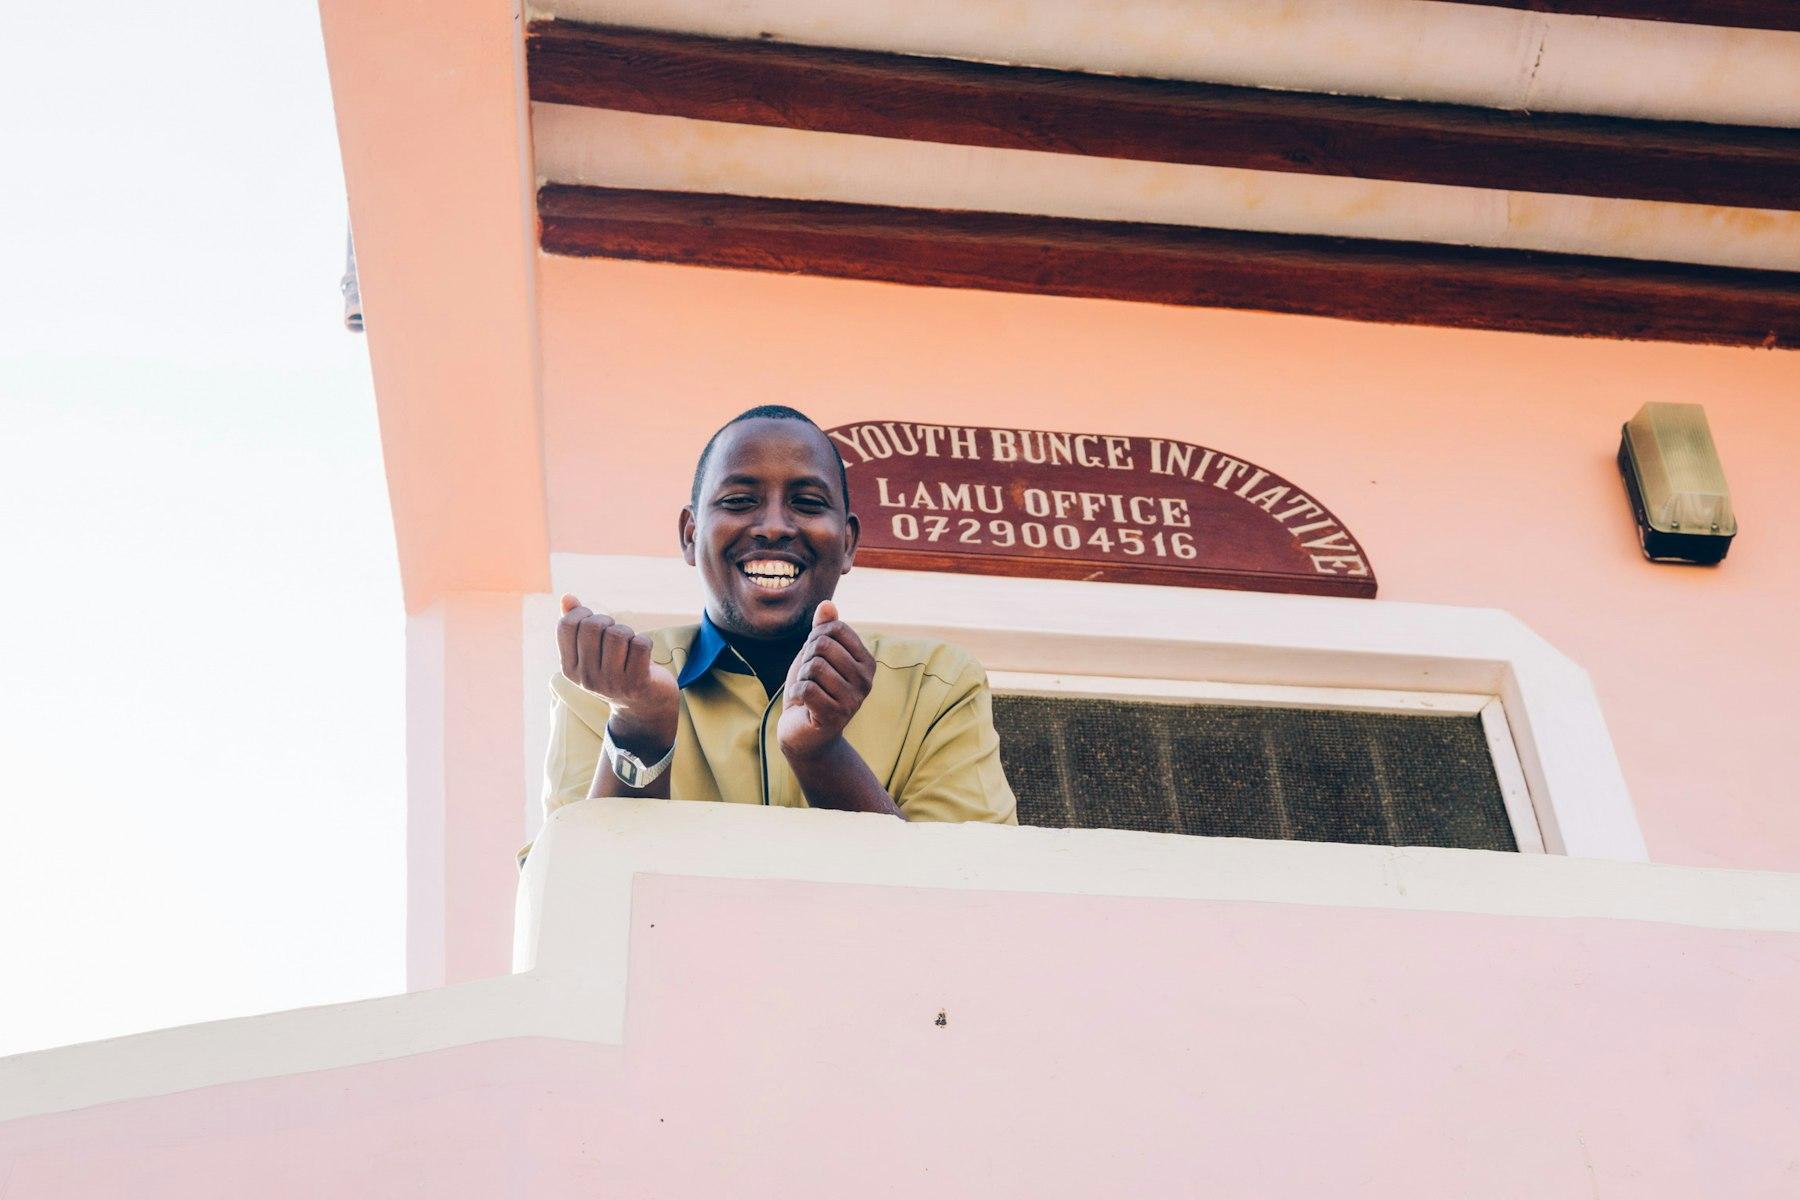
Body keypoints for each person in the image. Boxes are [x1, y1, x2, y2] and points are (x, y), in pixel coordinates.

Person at [536, 405, 1017, 841]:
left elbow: (966, 893)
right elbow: (576, 894)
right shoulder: (608, 684)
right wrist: (640, 725)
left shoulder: (937, 686)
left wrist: (821, 754)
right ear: (690, 534)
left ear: (848, 543)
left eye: (807, 503)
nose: (773, 526)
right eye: (739, 501)